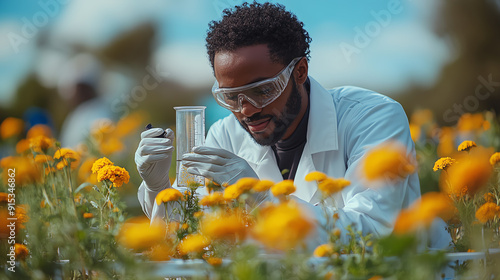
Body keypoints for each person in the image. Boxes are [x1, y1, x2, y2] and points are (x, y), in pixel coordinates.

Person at [136, 2, 451, 249]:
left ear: (299, 71)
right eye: (231, 97)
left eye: (262, 90)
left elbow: (371, 233)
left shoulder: (372, 118)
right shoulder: (225, 136)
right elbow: (192, 237)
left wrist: (261, 199)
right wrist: (158, 188)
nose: (246, 110)